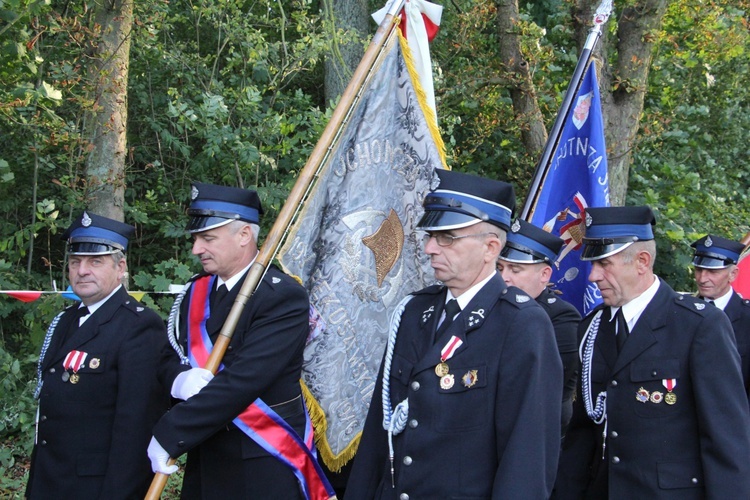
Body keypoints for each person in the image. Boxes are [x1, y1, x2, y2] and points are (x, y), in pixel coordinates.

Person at [346, 169, 563, 499]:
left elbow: (527, 457)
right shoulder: (414, 311)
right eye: (431, 236)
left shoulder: (520, 324)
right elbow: (381, 427)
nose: (431, 247)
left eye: (447, 237)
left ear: (491, 248)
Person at [148, 183, 333, 499]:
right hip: (206, 456)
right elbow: (167, 355)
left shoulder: (282, 297)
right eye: (196, 239)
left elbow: (244, 380)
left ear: (245, 235)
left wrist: (171, 432)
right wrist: (180, 380)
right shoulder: (197, 292)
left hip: (261, 461)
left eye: (208, 239)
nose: (196, 249)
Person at [554, 206, 750, 499]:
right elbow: (583, 433)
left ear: (642, 261)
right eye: (592, 265)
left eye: (604, 264)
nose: (593, 276)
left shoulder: (698, 326)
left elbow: (726, 438)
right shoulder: (593, 327)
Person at [26, 211, 169, 499]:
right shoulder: (66, 321)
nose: (82, 270)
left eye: (95, 261)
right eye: (75, 261)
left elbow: (135, 430)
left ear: (121, 267)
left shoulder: (139, 326)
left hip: (96, 487)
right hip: (50, 480)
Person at [497, 218, 581, 436]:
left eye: (515, 269)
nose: (504, 277)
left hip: (539, 430)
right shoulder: (489, 306)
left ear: (544, 275)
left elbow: (542, 382)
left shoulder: (561, 317)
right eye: (500, 267)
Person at [691, 234, 750, 391]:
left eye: (713, 272)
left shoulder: (747, 318)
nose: (703, 278)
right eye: (699, 269)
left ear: (733, 274)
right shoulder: (681, 312)